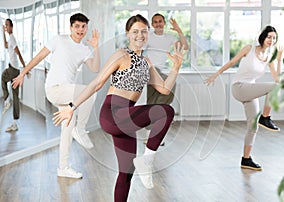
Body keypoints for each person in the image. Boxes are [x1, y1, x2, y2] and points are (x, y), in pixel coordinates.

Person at [52, 14, 185, 202]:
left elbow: (164, 89)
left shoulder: (146, 63)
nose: (140, 35)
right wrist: (72, 107)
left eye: (144, 32)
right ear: (128, 34)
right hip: (113, 113)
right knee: (166, 111)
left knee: (126, 172)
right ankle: (147, 161)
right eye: (135, 32)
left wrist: (176, 67)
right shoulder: (121, 55)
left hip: (127, 115)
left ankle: (141, 166)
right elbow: (96, 83)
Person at [12, 13, 101, 179]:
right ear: (71, 27)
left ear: (86, 28)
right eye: (77, 26)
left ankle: (63, 167)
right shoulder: (59, 40)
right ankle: (80, 129)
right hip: (55, 89)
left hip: (67, 95)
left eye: (83, 27)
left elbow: (95, 68)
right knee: (90, 91)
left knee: (67, 130)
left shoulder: (84, 50)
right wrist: (23, 73)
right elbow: (39, 57)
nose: (80, 30)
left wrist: (96, 47)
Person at [205, 25, 283, 171]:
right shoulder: (249, 49)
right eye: (269, 37)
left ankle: (246, 159)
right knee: (273, 88)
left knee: (253, 127)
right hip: (239, 87)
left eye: (274, 38)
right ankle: (265, 118)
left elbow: (277, 79)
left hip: (250, 90)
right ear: (263, 37)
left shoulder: (269, 58)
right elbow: (231, 62)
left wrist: (279, 60)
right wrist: (216, 74)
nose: (271, 40)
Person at [146, 13, 188, 105]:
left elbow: (185, 47)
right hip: (150, 69)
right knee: (169, 85)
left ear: (164, 23)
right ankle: (158, 110)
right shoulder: (148, 37)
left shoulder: (169, 38)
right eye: (155, 22)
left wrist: (179, 31)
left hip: (161, 71)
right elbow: (138, 50)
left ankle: (154, 111)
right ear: (152, 25)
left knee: (157, 92)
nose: (158, 24)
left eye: (160, 21)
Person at [1, 18, 27, 132]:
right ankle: (15, 123)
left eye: (7, 25)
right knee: (16, 96)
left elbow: (19, 53)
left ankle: (6, 99)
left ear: (11, 27)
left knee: (2, 77)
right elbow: (6, 45)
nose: (6, 27)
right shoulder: (10, 39)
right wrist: (2, 32)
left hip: (13, 69)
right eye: (5, 25)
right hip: (16, 71)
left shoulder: (13, 39)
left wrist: (25, 67)